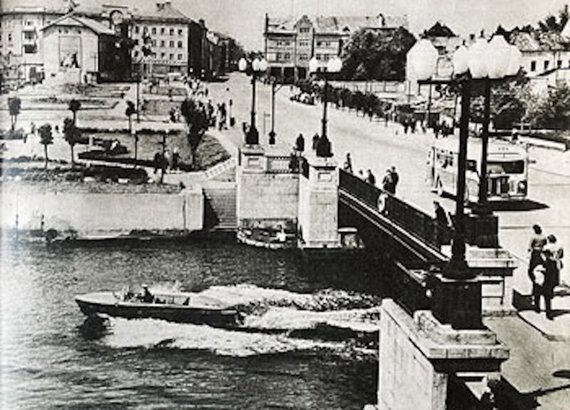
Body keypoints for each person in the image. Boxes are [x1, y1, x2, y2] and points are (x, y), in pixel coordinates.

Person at [530, 250, 558, 319]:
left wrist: (553, 284)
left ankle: (548, 313)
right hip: (538, 282)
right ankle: (537, 308)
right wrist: (533, 279)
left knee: (547, 299)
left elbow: (554, 274)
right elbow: (530, 270)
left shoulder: (552, 262)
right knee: (537, 295)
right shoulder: (536, 260)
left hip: (547, 283)